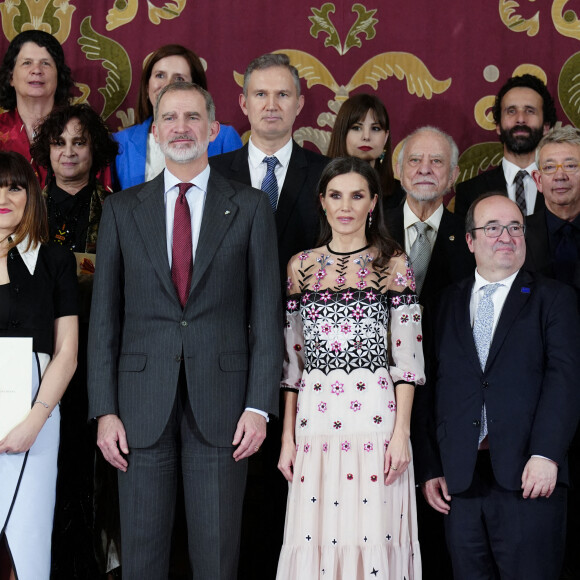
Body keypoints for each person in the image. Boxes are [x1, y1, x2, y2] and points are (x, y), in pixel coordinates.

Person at [87, 81, 283, 580]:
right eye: (169, 118)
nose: (181, 127)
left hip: (224, 408)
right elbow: (104, 321)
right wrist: (105, 410)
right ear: (154, 133)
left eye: (192, 117)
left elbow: (266, 313)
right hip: (137, 407)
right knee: (143, 556)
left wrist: (260, 405)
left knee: (217, 556)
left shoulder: (251, 207)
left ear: (214, 129)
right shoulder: (121, 209)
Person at [414, 192, 580, 579]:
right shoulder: (442, 304)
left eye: (515, 227)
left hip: (529, 475)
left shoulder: (554, 299)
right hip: (461, 481)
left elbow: (566, 380)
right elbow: (427, 387)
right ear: (470, 240)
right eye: (493, 227)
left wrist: (547, 454)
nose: (506, 236)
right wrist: (430, 466)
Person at [276, 156, 425, 579]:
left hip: (377, 428)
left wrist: (402, 434)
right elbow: (293, 365)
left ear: (373, 202)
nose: (346, 206)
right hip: (315, 428)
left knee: (373, 539)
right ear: (322, 202)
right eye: (336, 195)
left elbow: (408, 362)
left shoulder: (394, 265)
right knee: (315, 542)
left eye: (357, 195)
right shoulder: (300, 268)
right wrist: (286, 439)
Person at [210, 52, 328, 579]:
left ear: (301, 104)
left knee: (296, 493)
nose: (272, 104)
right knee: (230, 496)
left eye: (283, 94)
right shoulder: (212, 175)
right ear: (242, 103)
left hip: (312, 361)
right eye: (261, 94)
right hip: (226, 357)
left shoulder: (331, 177)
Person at [30, 103, 120, 577]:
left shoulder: (117, 208)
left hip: (95, 358)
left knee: (87, 474)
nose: (68, 152)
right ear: (46, 149)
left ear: (95, 150)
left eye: (79, 142)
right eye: (59, 142)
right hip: (30, 360)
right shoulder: (26, 206)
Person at [0, 151, 78, 580]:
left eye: (15, 186)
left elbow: (67, 353)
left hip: (38, 420)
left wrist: (36, 420)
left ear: (32, 195)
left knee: (26, 548)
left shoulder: (55, 261)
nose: (4, 196)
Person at [529, 126, 580, 579]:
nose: (560, 175)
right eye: (551, 167)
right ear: (537, 179)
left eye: (571, 165)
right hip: (536, 403)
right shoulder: (513, 238)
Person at [114, 44, 242, 190]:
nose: (168, 85)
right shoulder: (120, 142)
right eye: (160, 75)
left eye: (179, 79)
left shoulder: (224, 138)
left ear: (196, 88)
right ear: (146, 85)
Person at [385, 126, 474, 304]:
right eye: (415, 160)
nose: (424, 169)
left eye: (436, 161)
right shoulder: (372, 229)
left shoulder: (471, 237)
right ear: (399, 172)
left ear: (452, 175)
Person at [455, 74, 557, 217]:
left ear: (546, 126)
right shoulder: (469, 191)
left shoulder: (564, 185)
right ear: (497, 126)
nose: (520, 119)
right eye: (511, 111)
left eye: (530, 111)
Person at [0, 30, 72, 188]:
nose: (37, 70)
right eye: (27, 63)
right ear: (11, 77)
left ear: (59, 76)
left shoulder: (82, 130)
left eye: (45, 63)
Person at [327, 93, 404, 210]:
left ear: (386, 137)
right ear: (342, 133)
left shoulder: (401, 196)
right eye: (357, 128)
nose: (366, 136)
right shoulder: (319, 186)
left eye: (375, 128)